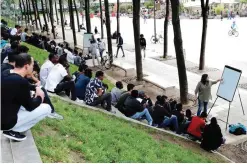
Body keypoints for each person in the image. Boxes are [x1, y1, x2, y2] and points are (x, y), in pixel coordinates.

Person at [1, 53, 51, 141]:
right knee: (47, 108)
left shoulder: (6, 73)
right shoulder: (21, 82)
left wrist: (35, 87)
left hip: (3, 112)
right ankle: (13, 130)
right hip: (5, 123)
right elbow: (30, 106)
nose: (33, 67)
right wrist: (40, 97)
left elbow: (24, 85)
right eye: (32, 65)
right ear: (26, 66)